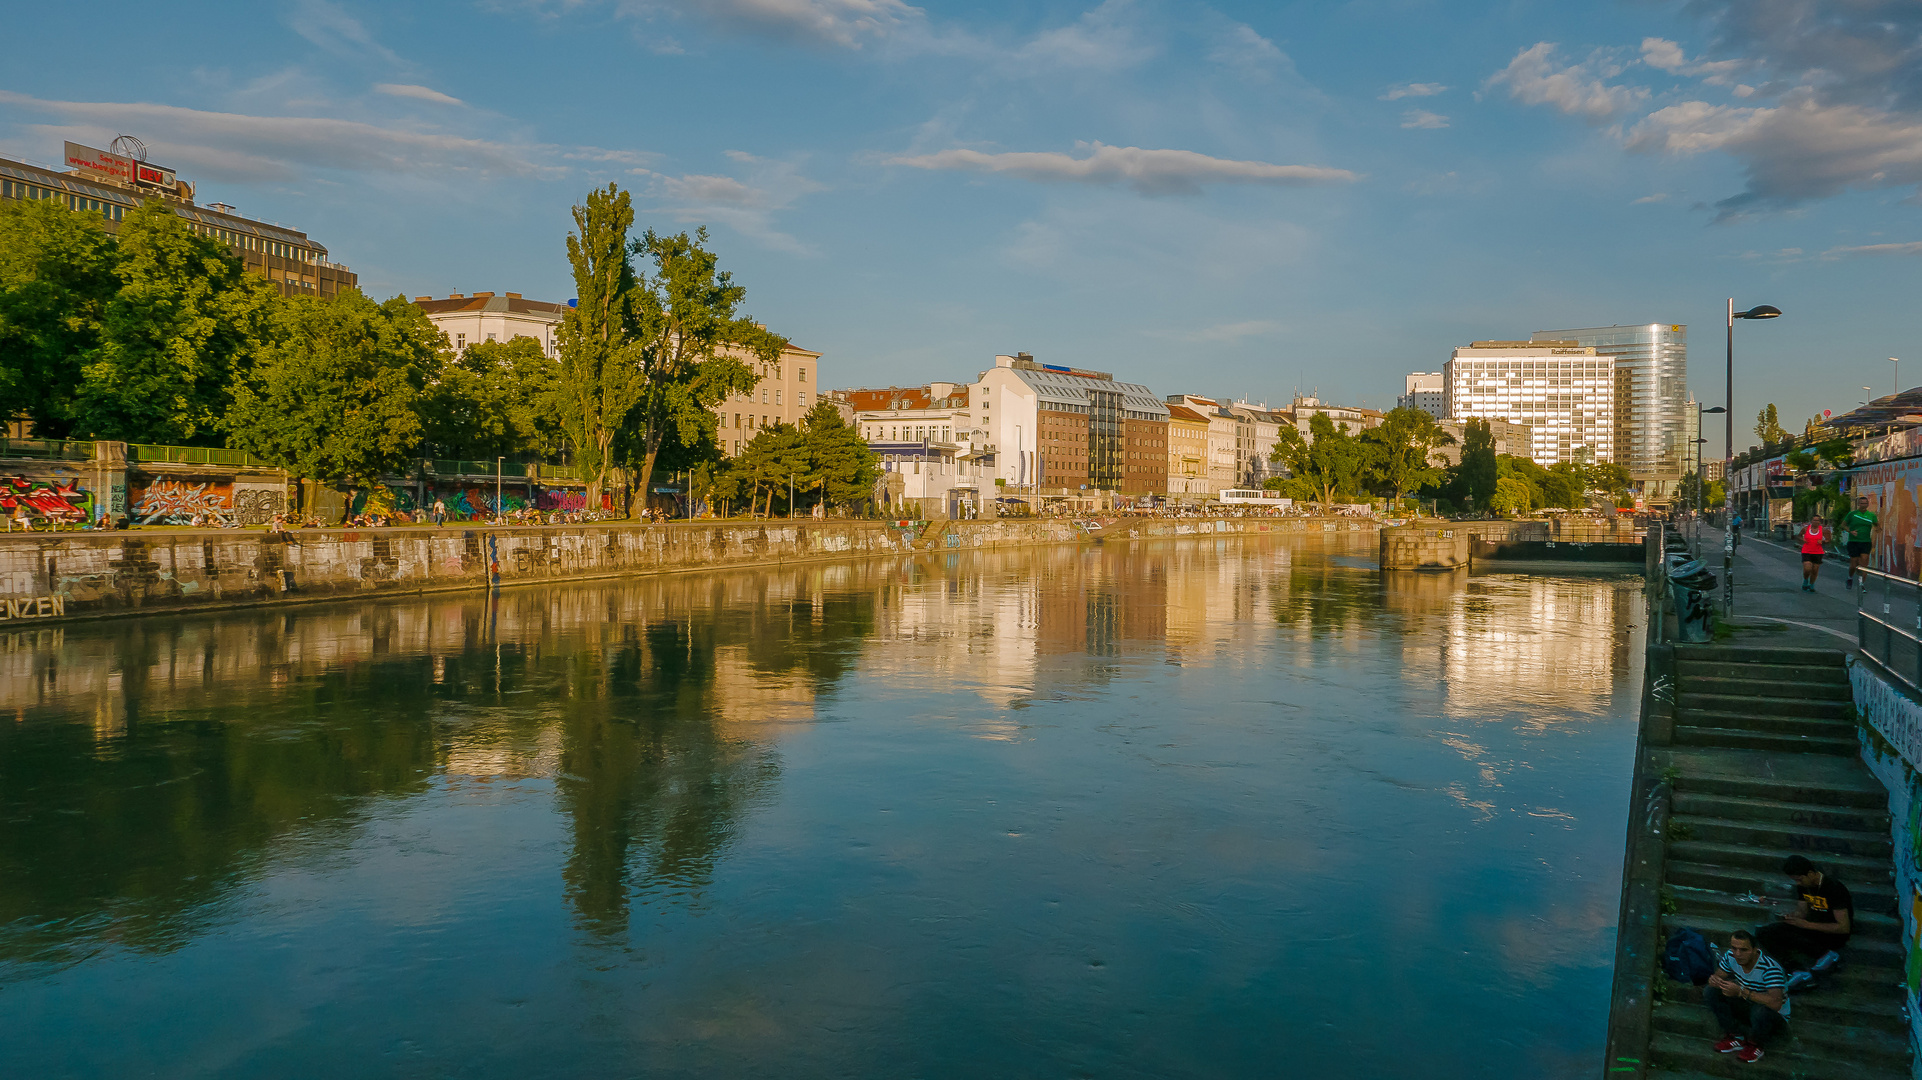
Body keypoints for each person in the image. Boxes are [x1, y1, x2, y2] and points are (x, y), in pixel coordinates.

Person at [1756, 854, 1852, 986]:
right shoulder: (1804, 886)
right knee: (1764, 932)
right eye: (1795, 880)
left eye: (1800, 880)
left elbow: (1843, 927)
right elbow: (1802, 912)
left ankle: (1827, 955)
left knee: (1794, 935)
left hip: (1833, 934)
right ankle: (1796, 970)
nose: (1798, 883)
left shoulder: (1833, 888)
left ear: (1811, 873)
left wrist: (1806, 925)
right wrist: (1790, 916)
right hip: (1812, 927)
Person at [1705, 929, 1789, 1064]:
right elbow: (1718, 976)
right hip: (1748, 1005)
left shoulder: (1770, 969)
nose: (1738, 954)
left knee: (1761, 1011)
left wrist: (1741, 992)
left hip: (1773, 1015)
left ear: (1755, 950)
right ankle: (1735, 1035)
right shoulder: (1730, 957)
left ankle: (1756, 1044)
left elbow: (1775, 1003)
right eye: (1734, 948)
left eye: (1744, 950)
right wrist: (1715, 980)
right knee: (1711, 991)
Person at [1843, 496, 1878, 589]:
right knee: (1854, 563)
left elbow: (1877, 525)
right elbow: (1843, 525)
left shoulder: (1871, 515)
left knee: (1864, 563)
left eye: (1865, 503)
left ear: (1868, 504)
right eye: (1862, 503)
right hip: (1853, 541)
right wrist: (1850, 531)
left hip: (1866, 541)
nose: (1864, 505)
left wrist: (1878, 529)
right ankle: (1850, 577)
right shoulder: (1852, 514)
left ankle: (1862, 584)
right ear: (1859, 504)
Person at [1798, 517, 1831, 591]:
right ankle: (1806, 580)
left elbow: (1829, 539)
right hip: (1806, 551)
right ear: (1811, 521)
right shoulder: (1806, 529)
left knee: (1815, 570)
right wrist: (1802, 539)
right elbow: (1799, 535)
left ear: (1820, 522)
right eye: (1814, 520)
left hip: (1818, 552)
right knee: (1807, 568)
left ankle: (1812, 584)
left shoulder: (1823, 530)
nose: (1815, 522)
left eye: (1817, 520)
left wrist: (1823, 541)